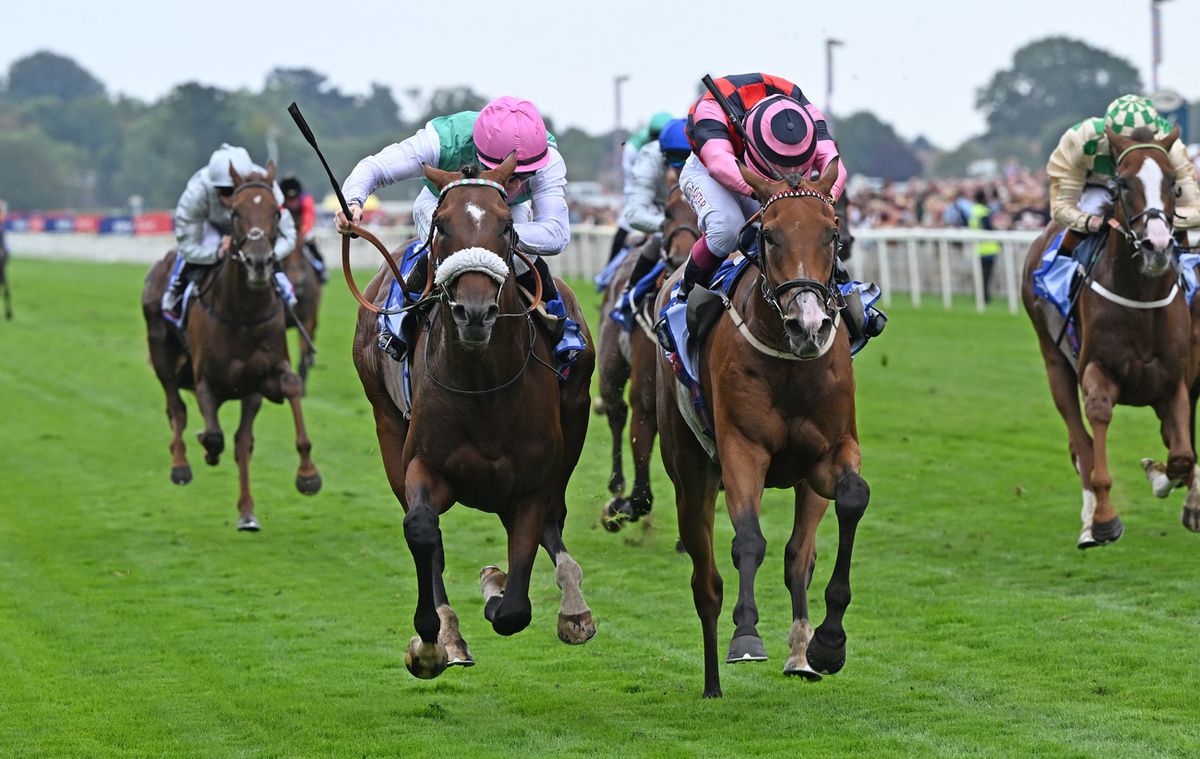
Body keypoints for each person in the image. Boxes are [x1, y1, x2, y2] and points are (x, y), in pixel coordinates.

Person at [336, 96, 567, 302]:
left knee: (519, 258)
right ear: (479, 156)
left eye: (526, 176)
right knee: (444, 246)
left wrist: (491, 234)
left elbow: (556, 233)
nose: (516, 185)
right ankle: (401, 321)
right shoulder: (441, 141)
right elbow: (375, 167)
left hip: (504, 213)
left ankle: (561, 327)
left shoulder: (549, 160)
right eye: (508, 176)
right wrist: (352, 204)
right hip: (440, 204)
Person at [677, 73, 848, 297]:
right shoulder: (710, 109)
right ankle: (685, 294)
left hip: (769, 184)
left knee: (805, 223)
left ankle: (844, 294)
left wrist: (826, 199)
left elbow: (835, 166)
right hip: (707, 170)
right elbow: (719, 164)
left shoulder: (806, 112)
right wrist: (764, 190)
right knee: (726, 228)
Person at [1047, 94, 1200, 254]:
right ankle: (1059, 266)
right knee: (1092, 206)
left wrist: (1160, 220)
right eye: (1124, 145)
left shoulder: (1172, 147)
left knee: (1169, 210)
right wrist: (1090, 222)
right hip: (1098, 186)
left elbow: (1195, 209)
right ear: (1109, 139)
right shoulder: (1080, 140)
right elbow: (1061, 206)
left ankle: (1189, 271)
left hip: (1145, 192)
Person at [162, 144, 297, 325]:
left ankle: (282, 283)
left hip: (248, 229)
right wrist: (218, 252)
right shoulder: (196, 194)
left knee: (263, 248)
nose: (231, 198)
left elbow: (288, 235)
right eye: (225, 192)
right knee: (197, 250)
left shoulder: (265, 185)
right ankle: (176, 290)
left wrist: (271, 254)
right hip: (210, 226)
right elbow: (188, 247)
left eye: (235, 189)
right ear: (213, 187)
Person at [615, 117, 691, 314]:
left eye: (689, 156)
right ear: (664, 155)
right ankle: (628, 296)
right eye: (676, 158)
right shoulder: (650, 157)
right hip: (660, 212)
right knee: (656, 241)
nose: (683, 165)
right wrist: (669, 225)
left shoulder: (707, 152)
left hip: (697, 217)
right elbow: (633, 214)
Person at [608, 111, 674, 262]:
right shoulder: (632, 148)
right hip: (642, 192)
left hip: (667, 195)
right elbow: (633, 186)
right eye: (655, 139)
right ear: (650, 137)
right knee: (625, 224)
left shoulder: (678, 143)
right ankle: (608, 268)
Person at [279, 175, 327, 282]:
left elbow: (308, 218)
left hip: (302, 230)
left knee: (310, 241)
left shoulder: (306, 199)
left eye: (294, 199)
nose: (292, 203)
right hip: (285, 232)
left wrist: (302, 233)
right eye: (289, 200)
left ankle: (321, 267)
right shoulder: (279, 203)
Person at [968, 189, 999, 303]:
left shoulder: (973, 210)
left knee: (979, 275)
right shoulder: (984, 211)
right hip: (988, 248)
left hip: (977, 247)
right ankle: (984, 297)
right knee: (986, 276)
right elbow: (989, 228)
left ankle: (978, 296)